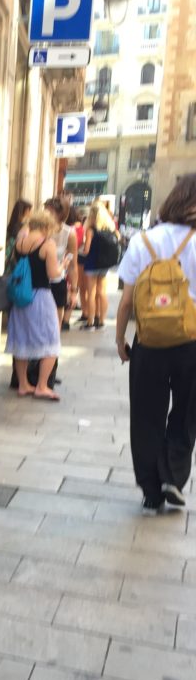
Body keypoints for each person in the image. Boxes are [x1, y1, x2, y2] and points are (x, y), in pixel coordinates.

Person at [116, 174, 196, 515]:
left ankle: (150, 487)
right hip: (192, 340)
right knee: (186, 412)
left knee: (146, 413)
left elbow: (126, 300)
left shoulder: (143, 241)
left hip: (148, 339)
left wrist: (120, 339)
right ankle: (172, 478)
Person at [5, 207, 61, 400]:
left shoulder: (20, 242)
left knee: (21, 339)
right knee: (51, 341)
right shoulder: (47, 244)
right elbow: (53, 274)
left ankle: (23, 384)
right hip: (41, 298)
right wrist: (63, 266)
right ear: (46, 226)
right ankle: (42, 386)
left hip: (21, 297)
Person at [4, 199, 33, 390]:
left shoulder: (11, 226)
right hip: (22, 278)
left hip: (12, 274)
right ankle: (21, 379)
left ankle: (18, 377)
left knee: (16, 329)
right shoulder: (23, 230)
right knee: (23, 334)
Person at [82, 200, 120, 330]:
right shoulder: (110, 229)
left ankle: (90, 321)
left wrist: (82, 250)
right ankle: (102, 320)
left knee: (91, 293)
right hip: (104, 264)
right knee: (102, 292)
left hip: (92, 264)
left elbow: (86, 250)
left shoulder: (91, 230)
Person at [44, 196, 78, 333]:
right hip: (37, 282)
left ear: (60, 214)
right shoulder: (39, 230)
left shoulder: (69, 234)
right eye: (45, 210)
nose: (45, 214)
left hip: (57, 282)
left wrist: (74, 291)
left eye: (49, 211)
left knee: (55, 328)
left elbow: (72, 264)